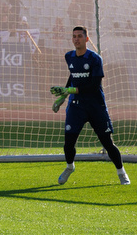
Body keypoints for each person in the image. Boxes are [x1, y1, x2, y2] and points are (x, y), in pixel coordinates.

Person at [54, 25, 128, 186]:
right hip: (76, 106)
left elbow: (94, 86)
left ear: (87, 39)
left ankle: (121, 172)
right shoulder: (69, 56)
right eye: (74, 36)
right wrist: (62, 97)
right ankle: (69, 167)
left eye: (80, 36)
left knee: (107, 142)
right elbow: (72, 77)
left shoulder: (95, 59)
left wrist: (69, 89)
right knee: (68, 143)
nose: (76, 39)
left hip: (95, 106)